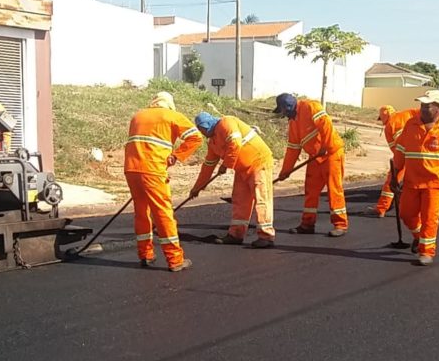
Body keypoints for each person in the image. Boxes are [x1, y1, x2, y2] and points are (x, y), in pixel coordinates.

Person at [124, 91, 203, 272]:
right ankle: (175, 260)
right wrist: (177, 155)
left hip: (131, 170)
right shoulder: (171, 115)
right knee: (162, 213)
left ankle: (145, 254)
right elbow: (195, 137)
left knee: (141, 212)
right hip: (153, 171)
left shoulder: (138, 116)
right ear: (169, 104)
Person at [393, 89, 439, 266]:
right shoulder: (410, 125)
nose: (423, 109)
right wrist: (394, 175)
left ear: (438, 108)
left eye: (427, 106)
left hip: (434, 184)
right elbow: (400, 152)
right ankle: (418, 237)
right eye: (422, 105)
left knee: (430, 219)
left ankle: (427, 252)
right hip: (411, 182)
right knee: (406, 214)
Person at [189, 112, 275, 249]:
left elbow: (235, 143)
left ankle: (266, 236)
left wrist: (226, 165)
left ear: (207, 125)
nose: (202, 133)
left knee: (261, 198)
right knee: (239, 199)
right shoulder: (213, 142)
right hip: (242, 169)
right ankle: (236, 234)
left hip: (259, 162)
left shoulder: (226, 123)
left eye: (202, 129)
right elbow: (207, 167)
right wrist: (197, 188)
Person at [274, 93, 348, 237]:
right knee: (310, 190)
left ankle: (340, 224)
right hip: (315, 157)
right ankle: (307, 224)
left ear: (288, 107)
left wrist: (325, 146)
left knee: (334, 189)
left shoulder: (310, 106)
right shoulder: (293, 122)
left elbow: (326, 125)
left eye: (282, 110)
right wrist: (285, 171)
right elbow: (293, 149)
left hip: (331, 154)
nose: (282, 114)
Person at [371, 104, 420, 217]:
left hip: (403, 156)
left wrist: (399, 162)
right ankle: (416, 211)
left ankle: (381, 209)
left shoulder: (388, 127)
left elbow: (394, 148)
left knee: (391, 182)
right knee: (418, 183)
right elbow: (423, 114)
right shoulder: (408, 112)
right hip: (418, 153)